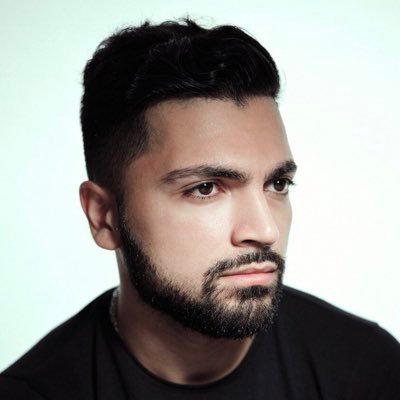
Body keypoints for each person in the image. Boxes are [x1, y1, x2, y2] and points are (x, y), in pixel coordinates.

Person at [1, 18, 399, 399]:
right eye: (206, 189)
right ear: (103, 217)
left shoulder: (366, 371)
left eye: (277, 184)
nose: (265, 231)